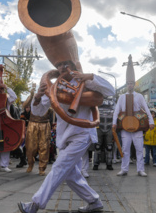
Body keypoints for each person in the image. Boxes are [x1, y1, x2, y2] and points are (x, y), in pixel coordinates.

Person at [18, 60, 115, 213]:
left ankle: (35, 205)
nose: (62, 67)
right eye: (59, 64)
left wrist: (89, 76)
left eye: (66, 63)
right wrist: (37, 98)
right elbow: (37, 112)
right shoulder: (53, 86)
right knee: (71, 176)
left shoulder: (85, 81)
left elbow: (111, 90)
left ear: (73, 65)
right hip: (64, 137)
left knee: (59, 167)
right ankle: (94, 201)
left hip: (82, 134)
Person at [113, 55, 154, 177]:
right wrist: (114, 123)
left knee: (139, 149)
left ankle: (140, 169)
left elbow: (146, 109)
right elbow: (116, 111)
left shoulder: (139, 96)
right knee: (125, 149)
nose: (130, 85)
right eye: (128, 83)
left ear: (134, 84)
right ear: (126, 84)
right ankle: (124, 169)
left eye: (132, 83)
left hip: (137, 126)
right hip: (125, 127)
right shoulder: (121, 97)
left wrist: (151, 121)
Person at [23, 89, 53, 175]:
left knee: (44, 147)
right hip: (33, 124)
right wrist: (32, 95)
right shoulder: (34, 95)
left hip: (44, 124)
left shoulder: (50, 97)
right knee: (30, 147)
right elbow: (24, 105)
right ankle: (30, 164)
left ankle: (42, 168)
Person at [93, 96, 115, 171]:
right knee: (97, 146)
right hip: (99, 127)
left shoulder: (112, 100)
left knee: (109, 147)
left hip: (109, 127)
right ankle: (95, 164)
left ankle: (109, 164)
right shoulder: (97, 99)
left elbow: (115, 114)